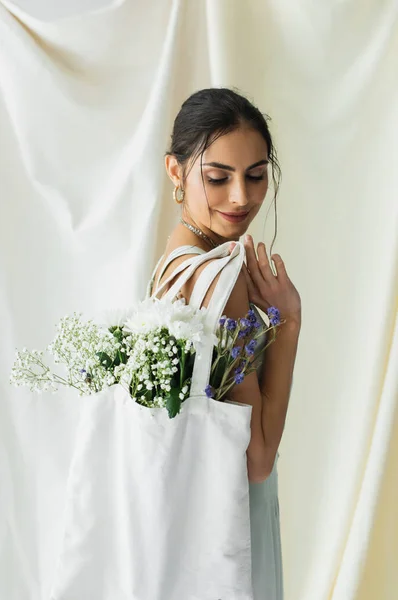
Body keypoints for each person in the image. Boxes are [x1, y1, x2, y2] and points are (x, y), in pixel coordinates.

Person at [149, 87, 302, 600]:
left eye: (256, 175)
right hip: (231, 520)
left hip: (182, 521)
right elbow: (256, 459)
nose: (241, 196)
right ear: (176, 171)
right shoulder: (221, 275)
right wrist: (288, 325)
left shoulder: (172, 258)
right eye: (218, 178)